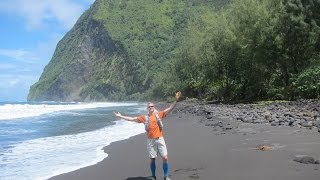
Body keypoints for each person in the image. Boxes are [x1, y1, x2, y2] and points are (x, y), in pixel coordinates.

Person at [113, 91, 182, 180]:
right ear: (147, 108)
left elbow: (170, 108)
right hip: (150, 140)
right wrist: (121, 116)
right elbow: (132, 119)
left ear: (154, 107)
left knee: (165, 157)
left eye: (152, 106)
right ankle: (153, 176)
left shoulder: (159, 114)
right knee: (152, 159)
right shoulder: (144, 117)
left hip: (160, 138)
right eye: (149, 107)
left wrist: (176, 100)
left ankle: (166, 176)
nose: (151, 108)